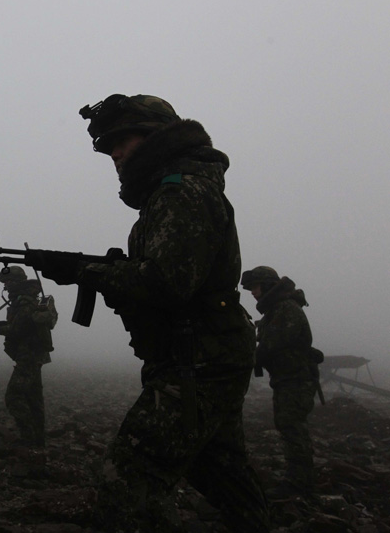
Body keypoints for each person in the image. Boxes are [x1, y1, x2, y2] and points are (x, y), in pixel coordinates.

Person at [37, 94, 269, 532]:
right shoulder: (174, 190)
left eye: (122, 141)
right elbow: (168, 276)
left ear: (156, 135)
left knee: (130, 476)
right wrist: (105, 271)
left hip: (199, 359)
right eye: (109, 149)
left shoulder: (180, 190)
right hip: (201, 353)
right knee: (219, 471)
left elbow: (166, 283)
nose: (116, 155)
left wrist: (84, 271)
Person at [241, 266, 320, 498]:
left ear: (266, 285)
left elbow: (273, 344)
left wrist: (246, 358)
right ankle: (300, 479)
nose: (253, 292)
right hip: (287, 379)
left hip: (296, 379)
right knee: (288, 425)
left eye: (255, 287)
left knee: (291, 426)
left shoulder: (286, 309)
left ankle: (300, 483)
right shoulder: (277, 310)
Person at [0, 266, 55, 447]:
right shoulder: (26, 300)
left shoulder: (25, 302)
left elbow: (17, 329)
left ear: (17, 282)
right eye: (5, 283)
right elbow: (20, 324)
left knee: (14, 396)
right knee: (34, 399)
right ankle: (37, 441)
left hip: (29, 354)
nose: (6, 286)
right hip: (33, 354)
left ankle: (28, 438)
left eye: (8, 282)